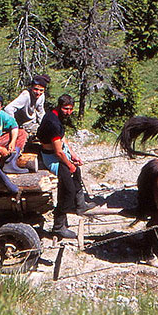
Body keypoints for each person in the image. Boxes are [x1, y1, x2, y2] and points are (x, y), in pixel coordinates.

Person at [37, 94, 95, 239]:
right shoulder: (54, 124)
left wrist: (73, 155)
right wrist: (69, 165)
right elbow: (58, 153)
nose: (68, 112)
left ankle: (80, 205)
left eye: (70, 109)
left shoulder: (55, 116)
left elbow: (63, 140)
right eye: (65, 108)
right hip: (51, 157)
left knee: (77, 170)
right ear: (59, 106)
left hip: (58, 152)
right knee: (67, 190)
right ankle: (58, 226)